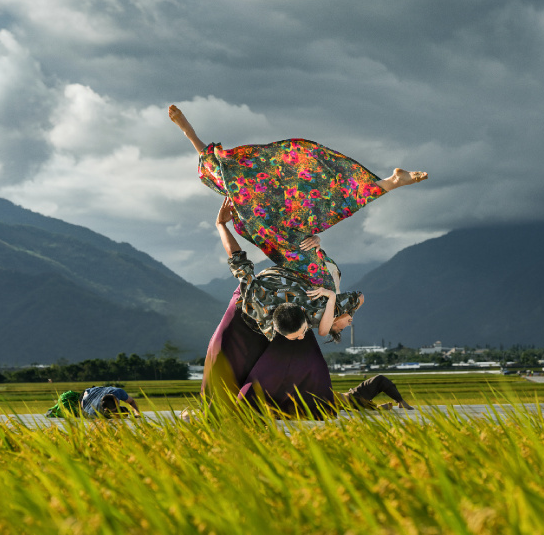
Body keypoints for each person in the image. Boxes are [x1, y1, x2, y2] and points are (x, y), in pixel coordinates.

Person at [169, 104, 427, 288]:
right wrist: (316, 241)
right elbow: (334, 282)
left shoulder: (322, 304)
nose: (349, 323)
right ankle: (392, 182)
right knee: (333, 207)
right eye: (348, 322)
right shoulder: (332, 299)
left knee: (230, 178)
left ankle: (392, 182)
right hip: (289, 237)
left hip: (280, 236)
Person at [200, 199, 359, 420]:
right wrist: (221, 225)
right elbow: (236, 257)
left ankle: (268, 408)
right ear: (275, 329)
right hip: (242, 313)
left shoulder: (313, 303)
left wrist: (315, 245)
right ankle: (221, 413)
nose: (303, 336)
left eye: (301, 333)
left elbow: (356, 298)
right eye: (300, 334)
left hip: (290, 286)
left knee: (296, 362)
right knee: (221, 367)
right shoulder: (257, 296)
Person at [336, 374, 415, 411]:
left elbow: (356, 406)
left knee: (380, 380)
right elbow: (354, 404)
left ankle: (400, 401)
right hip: (355, 396)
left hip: (355, 398)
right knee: (380, 379)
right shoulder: (330, 397)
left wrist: (379, 407)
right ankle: (401, 401)